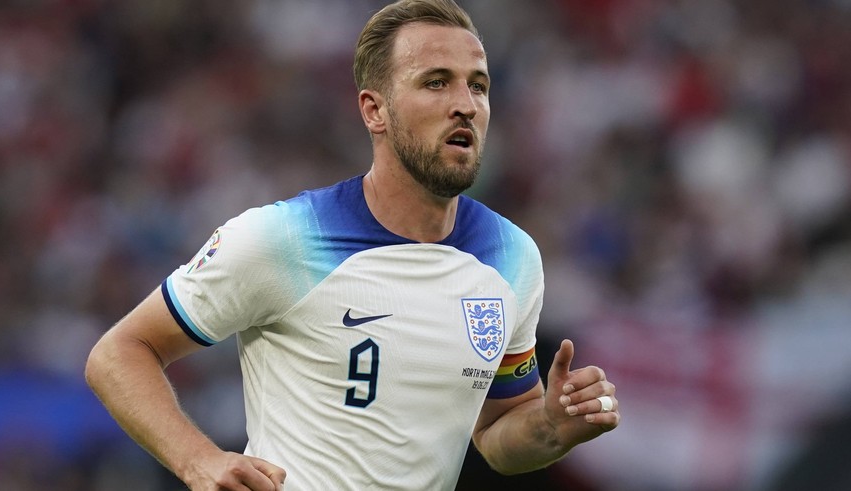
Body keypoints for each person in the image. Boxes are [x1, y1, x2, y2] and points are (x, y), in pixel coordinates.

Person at [84, 0, 620, 489]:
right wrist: (198, 460)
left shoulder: (513, 256)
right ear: (374, 110)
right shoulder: (285, 238)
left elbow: (500, 433)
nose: (465, 105)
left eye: (477, 85)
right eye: (436, 82)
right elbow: (118, 353)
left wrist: (551, 426)